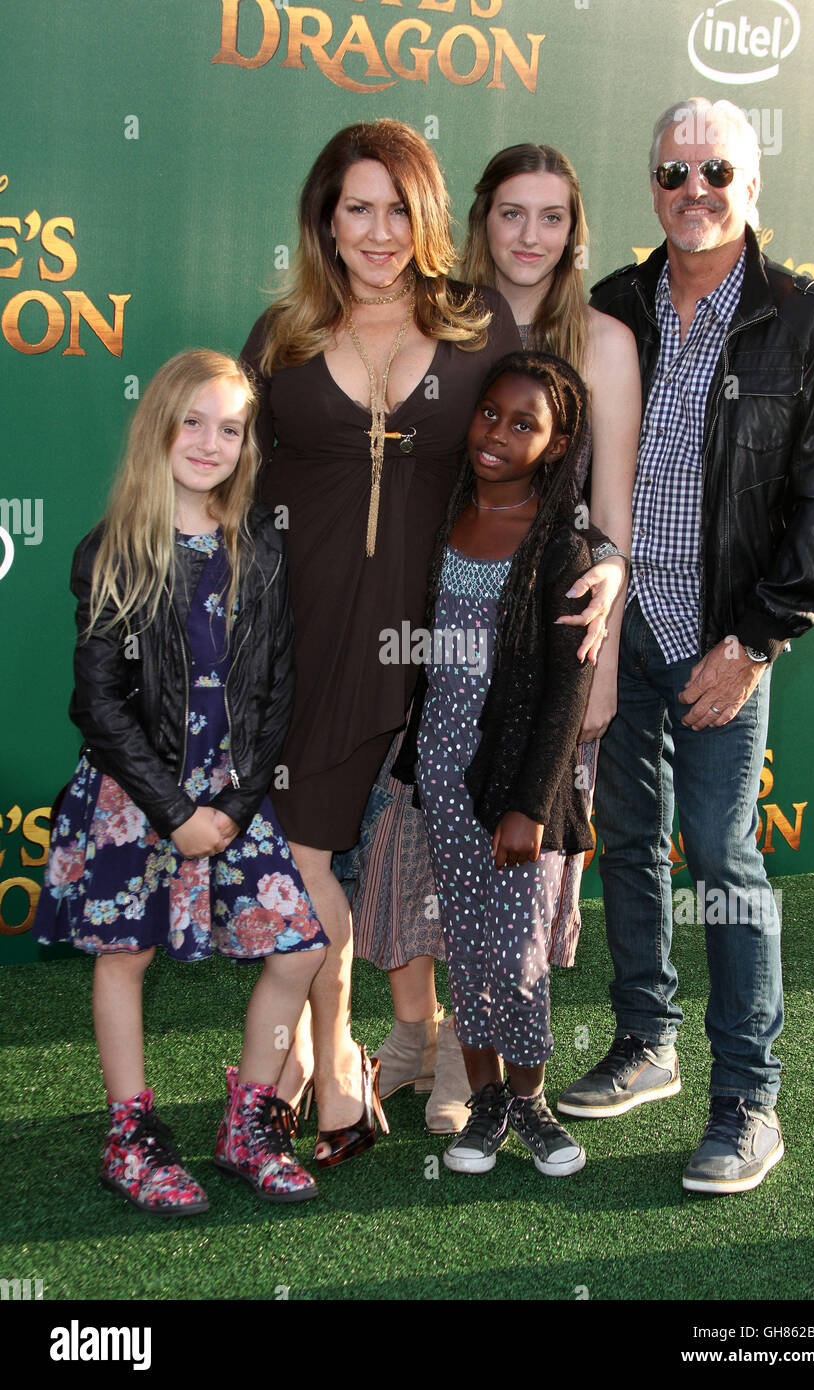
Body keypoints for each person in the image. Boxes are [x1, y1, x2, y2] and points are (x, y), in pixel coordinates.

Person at [557, 97, 814, 1194]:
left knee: (724, 862)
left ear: (751, 185)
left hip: (724, 642)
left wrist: (750, 643)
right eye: (672, 176)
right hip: (622, 628)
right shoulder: (610, 306)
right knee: (629, 838)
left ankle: (748, 1100)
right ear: (650, 187)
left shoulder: (807, 320)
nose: (693, 194)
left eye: (715, 175)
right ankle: (645, 1040)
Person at [239, 119, 522, 1162]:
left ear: (427, 215)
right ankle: (337, 1062)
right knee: (310, 857)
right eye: (356, 207)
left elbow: (538, 469)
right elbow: (224, 487)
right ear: (323, 217)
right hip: (301, 641)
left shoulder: (479, 331)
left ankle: (395, 1052)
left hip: (441, 643)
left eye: (398, 207)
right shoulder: (281, 338)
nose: (378, 230)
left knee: (406, 853)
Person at [358, 144, 639, 1133]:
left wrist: (598, 642)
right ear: (480, 221)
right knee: (413, 840)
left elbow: (611, 510)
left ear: (573, 231)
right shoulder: (434, 324)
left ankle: (468, 1075)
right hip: (426, 627)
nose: (528, 235)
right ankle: (415, 1032)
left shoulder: (601, 339)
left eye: (550, 216)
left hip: (545, 650)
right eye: (510, 213)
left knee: (505, 866)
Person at [32, 349, 332, 1214]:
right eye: (192, 422)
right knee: (126, 954)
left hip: (232, 797)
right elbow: (97, 701)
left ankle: (251, 1122)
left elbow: (276, 689)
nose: (209, 442)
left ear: (248, 444)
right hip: (139, 796)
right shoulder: (114, 548)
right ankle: (129, 1138)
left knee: (301, 945)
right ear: (156, 425)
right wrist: (172, 811)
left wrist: (232, 810)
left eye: (230, 429)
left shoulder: (259, 548)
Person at [394, 350, 608, 1174]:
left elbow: (567, 697)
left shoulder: (563, 549)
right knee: (470, 951)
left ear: (555, 446)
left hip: (521, 794)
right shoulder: (444, 517)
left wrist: (529, 804)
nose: (498, 433)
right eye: (490, 413)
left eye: (526, 424)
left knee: (518, 957)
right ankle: (484, 1103)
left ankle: (531, 1103)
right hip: (443, 780)